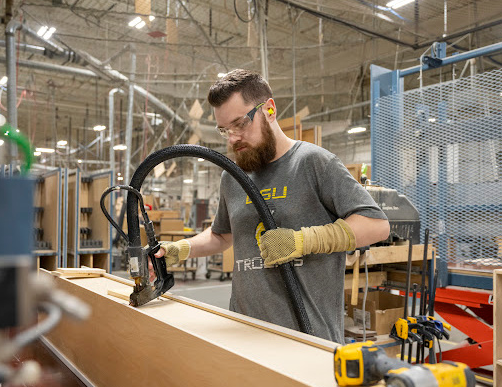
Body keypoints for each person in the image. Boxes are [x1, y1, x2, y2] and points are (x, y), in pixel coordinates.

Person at [153, 69, 389, 343]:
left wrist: (303, 241)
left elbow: (377, 225)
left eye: (240, 124)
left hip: (308, 338)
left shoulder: (313, 163)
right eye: (225, 130)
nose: (232, 138)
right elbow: (222, 235)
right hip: (242, 332)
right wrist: (180, 249)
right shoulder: (232, 177)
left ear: (270, 109)